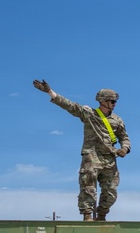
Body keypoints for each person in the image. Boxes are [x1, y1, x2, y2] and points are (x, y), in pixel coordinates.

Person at [32, 79, 130, 221]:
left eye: (115, 102)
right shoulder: (89, 114)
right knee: (88, 188)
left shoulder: (117, 120)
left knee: (111, 191)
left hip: (109, 159)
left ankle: (102, 215)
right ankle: (87, 216)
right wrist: (49, 92)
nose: (114, 104)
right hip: (92, 157)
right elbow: (69, 105)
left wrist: (124, 148)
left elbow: (124, 137)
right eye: (112, 101)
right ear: (103, 101)